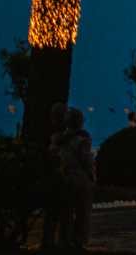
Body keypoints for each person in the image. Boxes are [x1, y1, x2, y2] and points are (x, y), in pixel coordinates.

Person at [55, 108, 95, 249]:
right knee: (82, 212)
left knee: (66, 212)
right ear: (79, 121)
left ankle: (65, 240)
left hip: (65, 179)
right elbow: (87, 159)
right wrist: (92, 175)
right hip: (81, 179)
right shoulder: (83, 137)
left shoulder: (62, 137)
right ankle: (78, 241)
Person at [41, 104, 69, 248]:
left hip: (58, 172)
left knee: (54, 210)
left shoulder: (62, 130)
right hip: (52, 172)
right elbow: (57, 140)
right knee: (51, 210)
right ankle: (48, 240)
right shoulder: (54, 130)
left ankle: (52, 240)